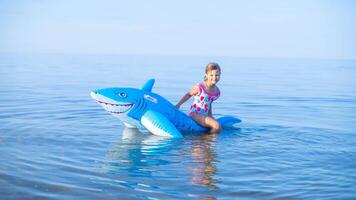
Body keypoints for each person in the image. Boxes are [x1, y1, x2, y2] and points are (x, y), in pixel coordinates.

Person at [176, 62, 221, 133]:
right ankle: (208, 141)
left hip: (205, 115)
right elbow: (188, 95)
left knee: (217, 125)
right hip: (195, 114)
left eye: (217, 75)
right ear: (206, 75)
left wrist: (211, 116)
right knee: (216, 126)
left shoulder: (217, 91)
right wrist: (178, 104)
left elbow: (209, 103)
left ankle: (205, 139)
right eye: (211, 75)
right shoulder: (200, 87)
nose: (214, 77)